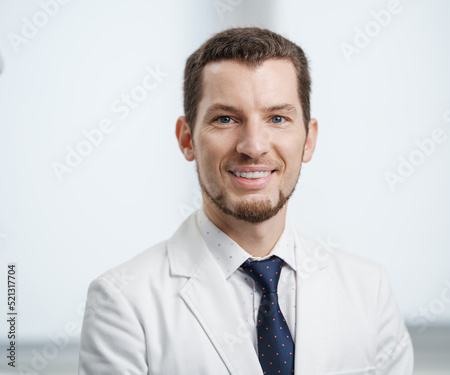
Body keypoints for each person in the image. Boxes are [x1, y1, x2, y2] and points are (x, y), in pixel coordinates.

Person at [78, 27, 413, 375]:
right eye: (225, 119)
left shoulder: (369, 291)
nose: (253, 146)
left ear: (309, 139)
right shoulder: (122, 301)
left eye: (277, 118)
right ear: (187, 139)